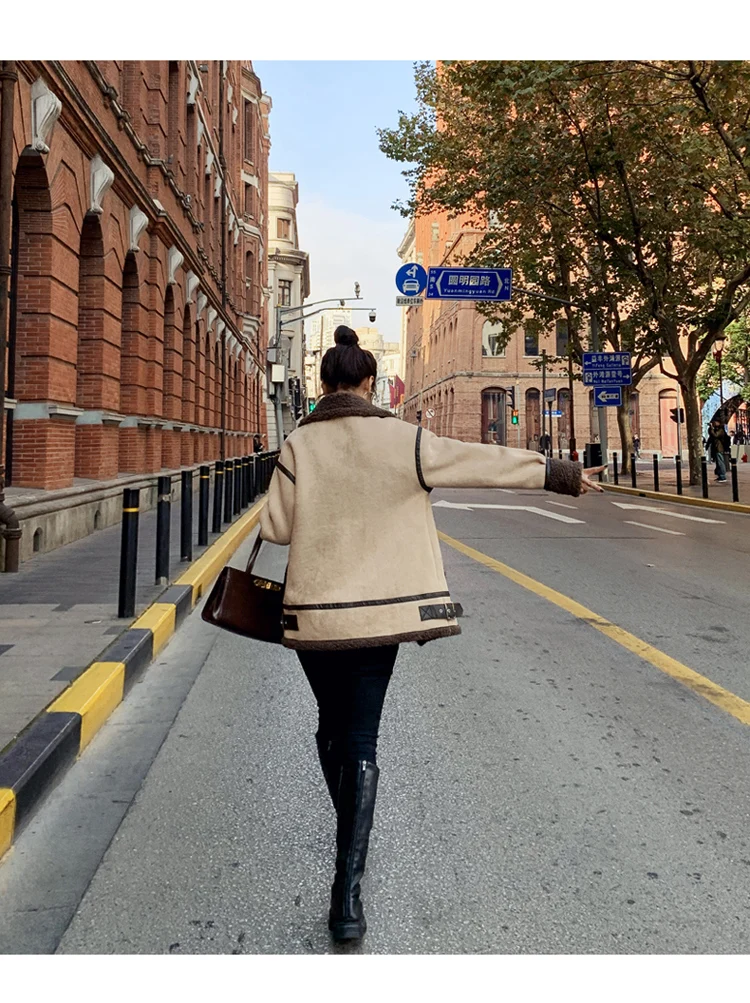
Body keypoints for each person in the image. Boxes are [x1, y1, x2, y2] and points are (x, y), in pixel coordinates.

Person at [259, 326, 604, 944]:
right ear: (370, 384)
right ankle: (346, 895)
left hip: (314, 615)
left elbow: (278, 530)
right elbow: (479, 461)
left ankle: (348, 840)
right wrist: (557, 473)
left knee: (331, 731)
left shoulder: (298, 444)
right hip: (382, 617)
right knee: (360, 739)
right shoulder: (405, 440)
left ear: (324, 384)